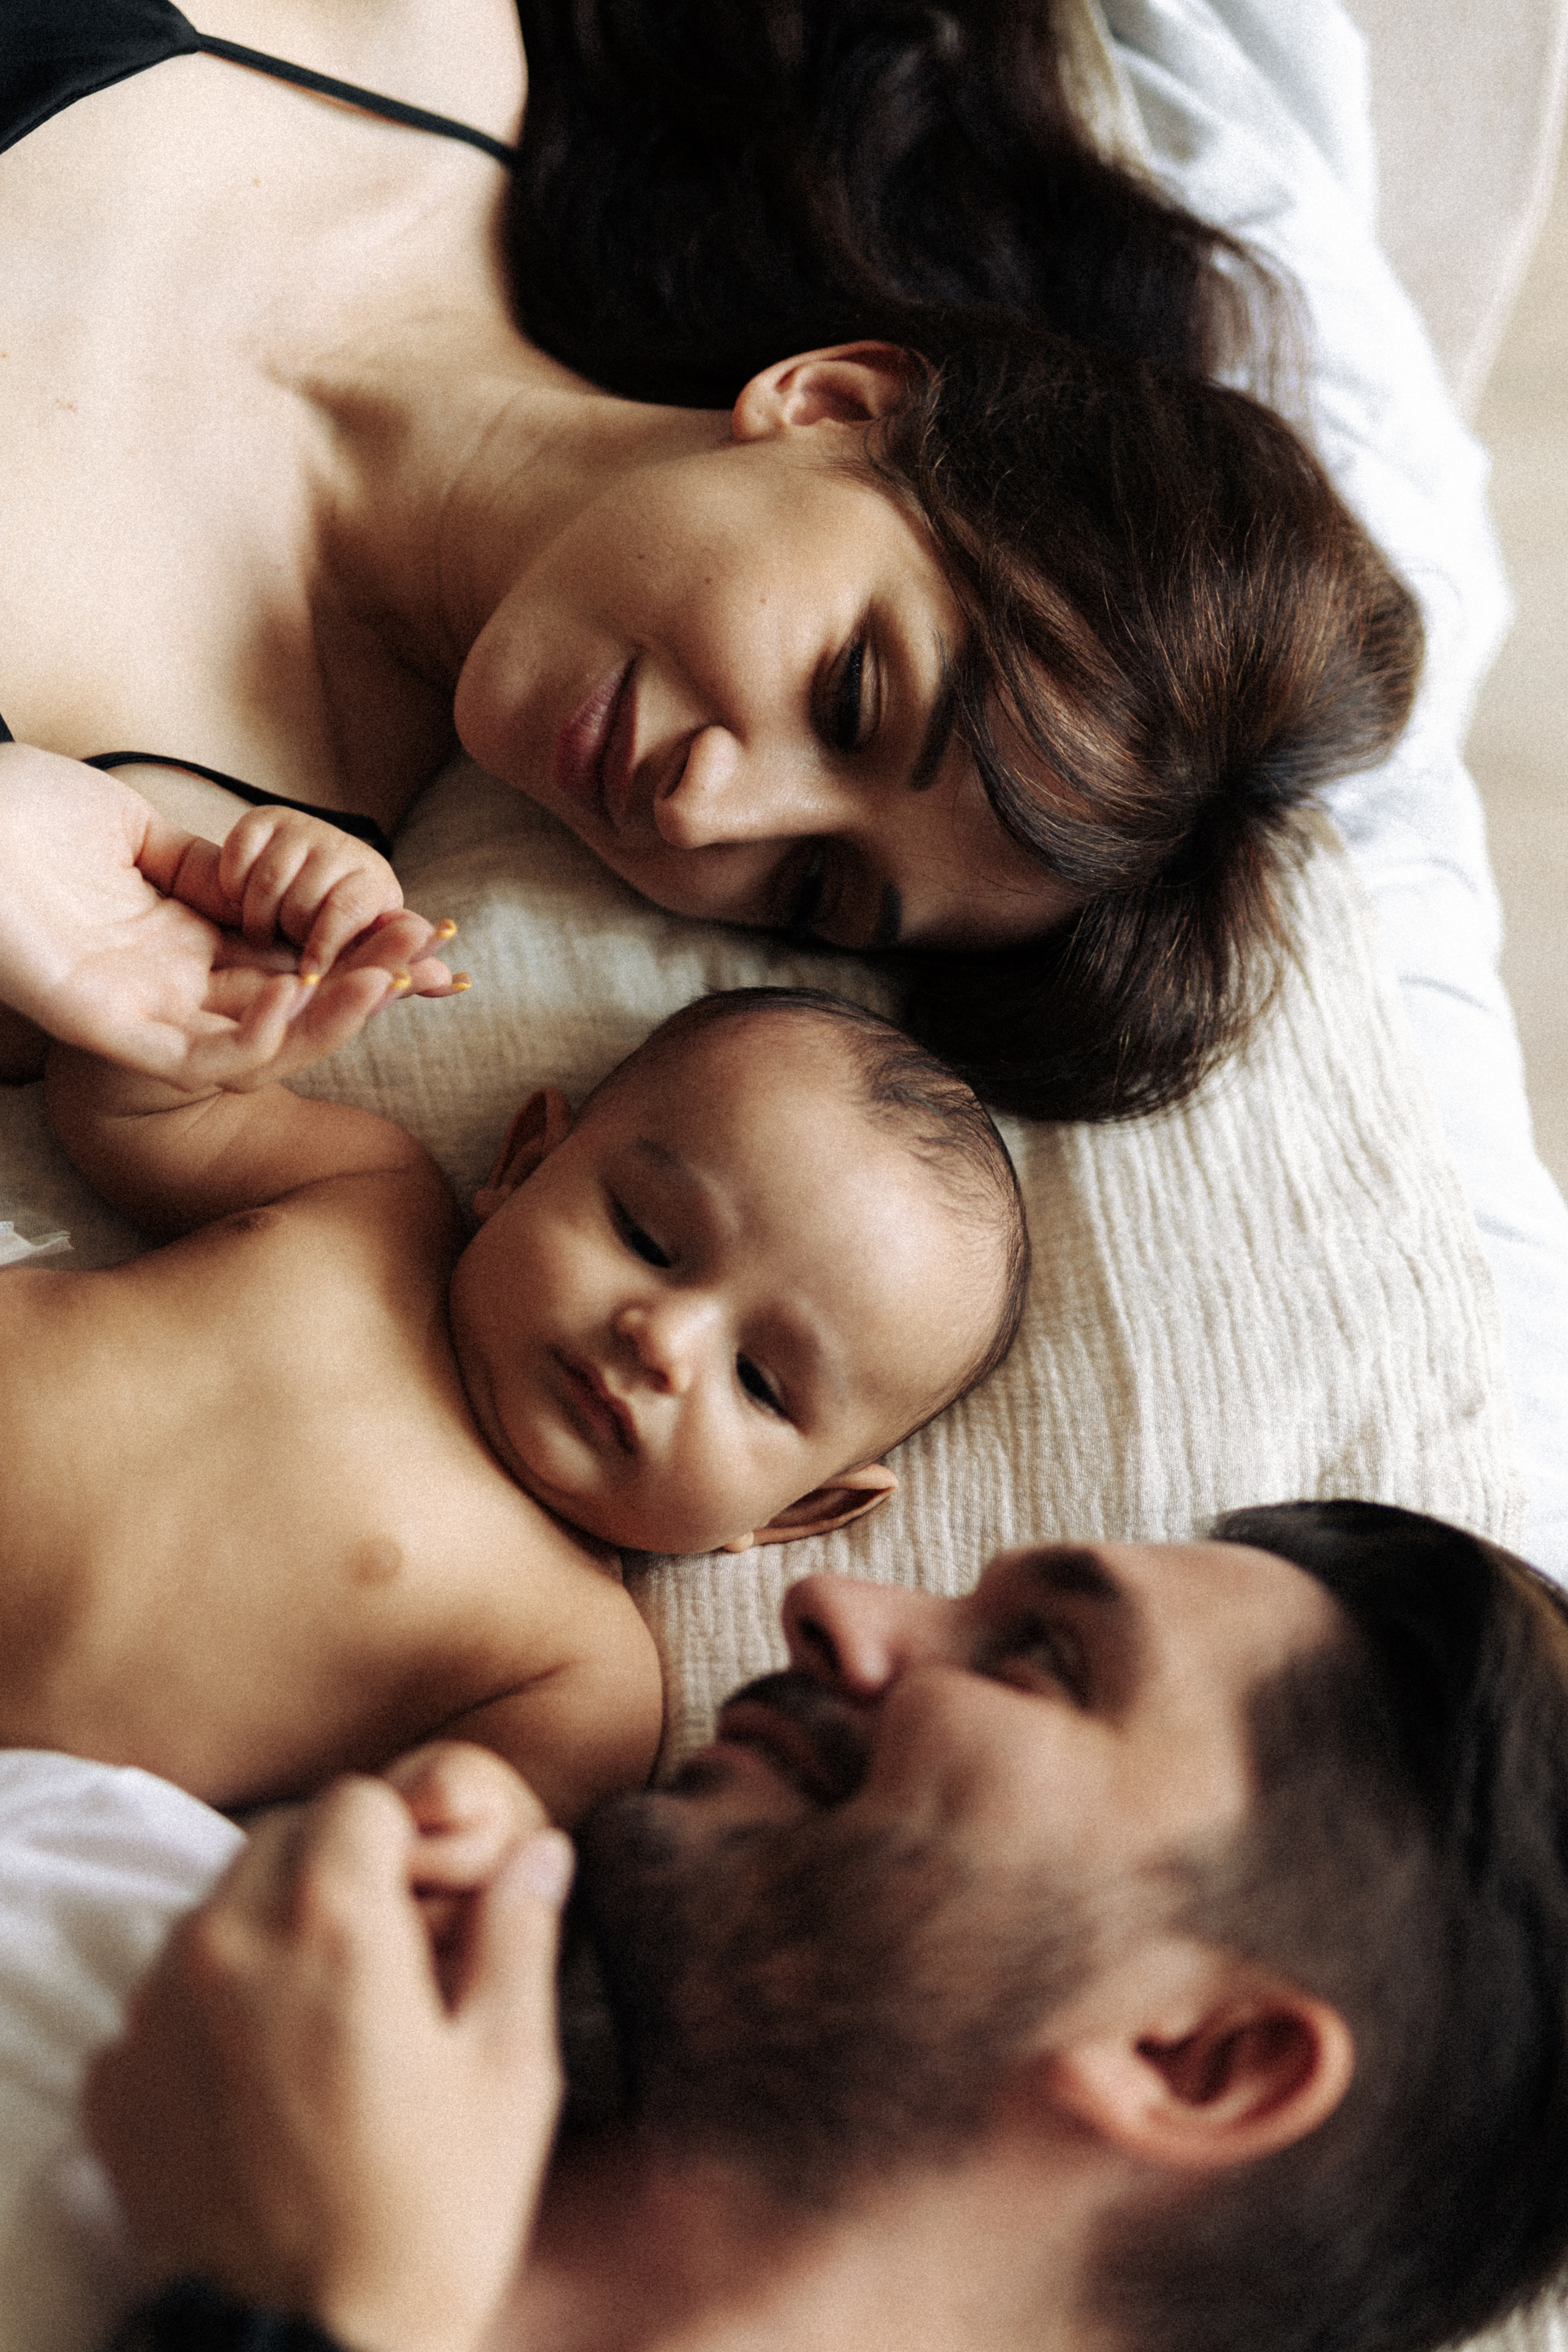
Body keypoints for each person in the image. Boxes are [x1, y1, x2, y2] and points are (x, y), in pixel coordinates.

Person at [0, 0, 1422, 1134]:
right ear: (836, 404)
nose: (705, 813)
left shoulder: (149, 878)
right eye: (851, 699)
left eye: (813, 886)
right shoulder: (403, 32)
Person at [86, 1501, 1568, 2352]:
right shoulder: (181, 1910)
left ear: (1193, 2058)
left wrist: (290, 2317)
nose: (827, 1598)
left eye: (1040, 1658)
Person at [0, 770, 1026, 1822]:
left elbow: (404, 1874)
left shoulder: (576, 1671)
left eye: (761, 1382)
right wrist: (241, 983)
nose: (664, 1338)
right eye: (647, 1236)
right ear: (529, 1158)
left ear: (801, 1510)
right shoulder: (367, 1201)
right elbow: (121, 1110)